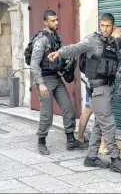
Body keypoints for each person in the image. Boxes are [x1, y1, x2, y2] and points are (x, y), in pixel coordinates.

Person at [48, 12, 121, 174]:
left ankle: (91, 157)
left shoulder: (113, 42)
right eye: (102, 25)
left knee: (99, 125)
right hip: (98, 88)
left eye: (107, 26)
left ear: (113, 26)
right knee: (109, 124)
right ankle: (115, 159)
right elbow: (76, 47)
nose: (104, 29)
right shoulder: (92, 40)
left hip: (107, 88)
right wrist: (60, 52)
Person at [30, 10, 84, 155]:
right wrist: (40, 83)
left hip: (56, 77)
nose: (56, 23)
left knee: (68, 108)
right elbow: (34, 63)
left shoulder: (57, 37)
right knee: (47, 114)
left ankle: (71, 139)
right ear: (45, 23)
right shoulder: (41, 40)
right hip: (44, 80)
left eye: (57, 20)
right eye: (53, 21)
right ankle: (41, 141)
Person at [77, 26, 121, 149]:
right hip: (98, 84)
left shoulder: (104, 42)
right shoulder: (112, 45)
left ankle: (82, 139)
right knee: (97, 112)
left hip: (91, 82)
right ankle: (102, 146)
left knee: (93, 112)